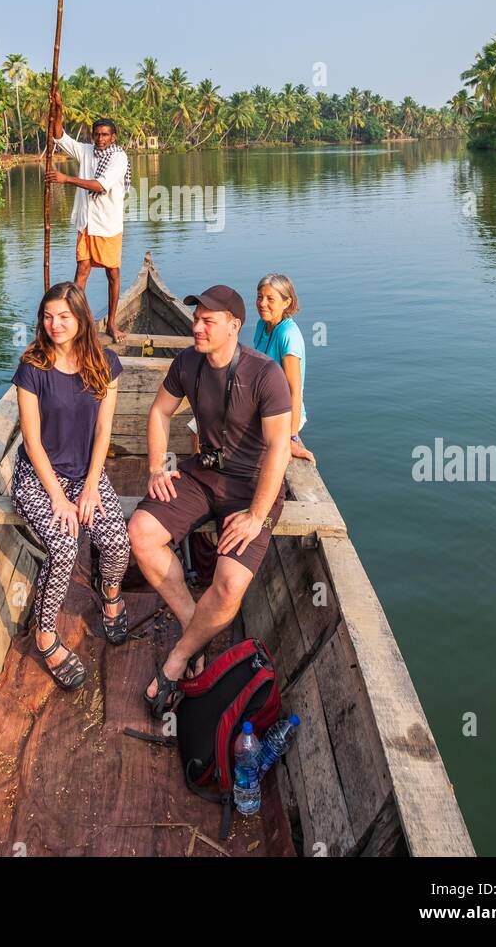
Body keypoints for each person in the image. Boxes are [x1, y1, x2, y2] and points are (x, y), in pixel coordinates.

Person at [128, 284, 292, 717]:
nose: (196, 327)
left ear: (234, 327)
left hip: (254, 486)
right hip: (204, 473)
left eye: (207, 321)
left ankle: (178, 657)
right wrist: (157, 467)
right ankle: (192, 626)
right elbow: (160, 412)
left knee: (230, 584)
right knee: (141, 533)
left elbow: (278, 447)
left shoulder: (265, 374)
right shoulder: (187, 362)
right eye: (196, 319)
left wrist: (257, 515)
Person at [11, 280, 131, 690]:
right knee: (64, 545)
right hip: (38, 476)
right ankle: (45, 634)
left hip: (86, 474)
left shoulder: (105, 364)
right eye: (47, 316)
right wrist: (60, 498)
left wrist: (92, 486)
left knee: (116, 540)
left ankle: (110, 595)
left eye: (63, 316)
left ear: (81, 318)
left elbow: (103, 432)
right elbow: (31, 441)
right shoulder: (33, 367)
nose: (55, 324)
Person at [45, 86, 131, 344]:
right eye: (97, 134)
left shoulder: (118, 158)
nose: (100, 138)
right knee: (81, 270)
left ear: (113, 137)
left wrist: (65, 178)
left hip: (108, 226)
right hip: (86, 223)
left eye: (105, 135)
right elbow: (58, 135)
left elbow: (100, 185)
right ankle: (76, 321)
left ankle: (112, 323)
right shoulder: (86, 151)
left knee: (112, 274)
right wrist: (58, 107)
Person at [253, 273, 315, 463]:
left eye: (270, 299)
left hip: (282, 414)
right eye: (259, 297)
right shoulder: (262, 324)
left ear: (286, 302)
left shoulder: (288, 335)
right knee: (198, 424)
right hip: (261, 403)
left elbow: (295, 391)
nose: (262, 303)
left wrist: (291, 437)